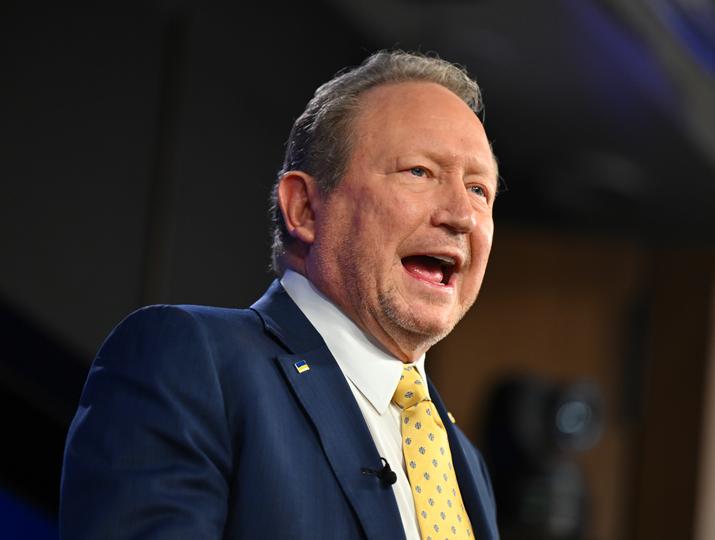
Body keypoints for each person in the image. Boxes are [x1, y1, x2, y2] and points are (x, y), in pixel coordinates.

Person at [60, 50, 500, 540]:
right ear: (305, 208)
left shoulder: (464, 460)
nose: (462, 215)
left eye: (480, 190)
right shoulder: (192, 362)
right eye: (419, 171)